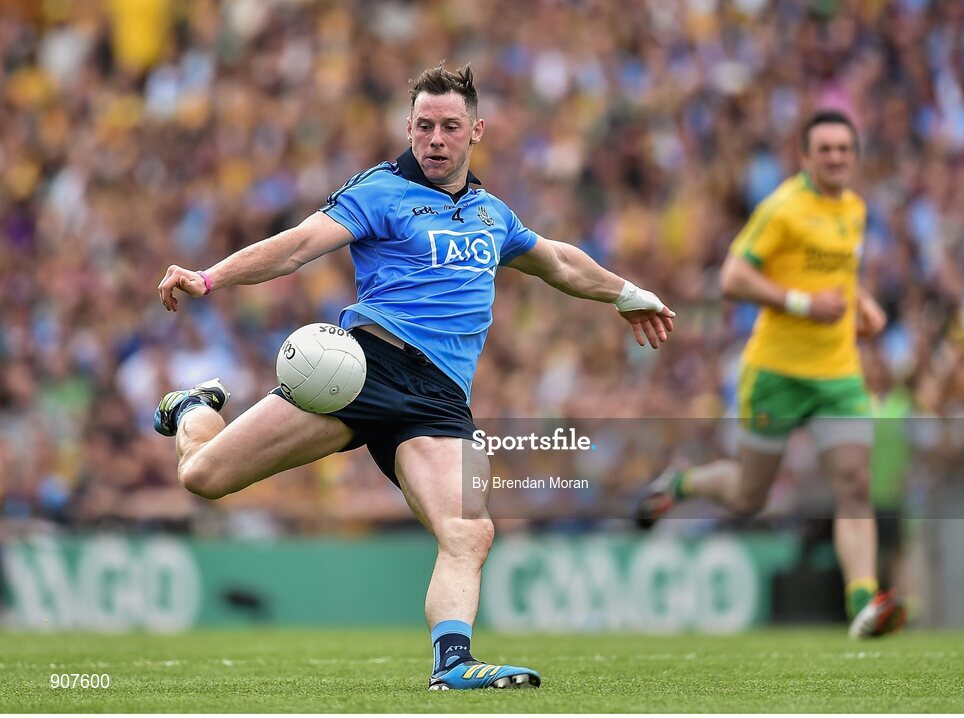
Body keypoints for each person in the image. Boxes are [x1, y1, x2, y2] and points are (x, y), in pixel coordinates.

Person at [155, 63, 675, 690]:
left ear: (476, 130)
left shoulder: (492, 215)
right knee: (203, 477)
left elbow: (558, 261)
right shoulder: (378, 191)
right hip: (363, 371)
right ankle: (192, 407)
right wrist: (208, 278)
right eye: (423, 126)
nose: (434, 139)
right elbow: (297, 245)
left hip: (438, 401)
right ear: (408, 127)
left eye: (449, 127)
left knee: (470, 528)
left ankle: (452, 665)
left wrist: (626, 293)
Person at [635, 110, 905, 639]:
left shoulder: (853, 208)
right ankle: (683, 482)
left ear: (854, 155)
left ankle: (861, 604)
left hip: (837, 372)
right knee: (748, 498)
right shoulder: (782, 208)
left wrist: (861, 304)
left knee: (853, 481)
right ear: (804, 156)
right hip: (776, 372)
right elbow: (732, 278)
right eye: (824, 149)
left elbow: (837, 273)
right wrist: (803, 303)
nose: (835, 158)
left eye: (843, 149)